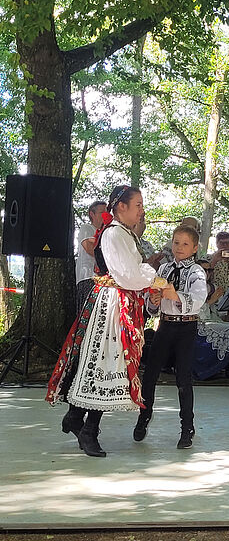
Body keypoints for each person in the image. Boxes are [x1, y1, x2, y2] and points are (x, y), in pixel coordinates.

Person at [46, 185, 168, 457]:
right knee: (105, 361)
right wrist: (155, 279)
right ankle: (86, 428)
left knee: (106, 362)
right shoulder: (114, 234)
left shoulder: (124, 234)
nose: (142, 210)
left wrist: (147, 281)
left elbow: (133, 272)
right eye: (138, 204)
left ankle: (78, 420)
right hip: (110, 304)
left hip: (118, 303)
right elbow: (127, 274)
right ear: (121, 207)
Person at [134, 225, 207, 449]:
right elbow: (153, 299)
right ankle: (144, 416)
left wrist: (175, 295)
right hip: (165, 325)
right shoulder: (164, 269)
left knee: (183, 378)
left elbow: (199, 298)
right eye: (176, 242)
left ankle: (187, 427)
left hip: (186, 328)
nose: (179, 248)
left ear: (195, 248)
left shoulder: (196, 272)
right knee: (150, 374)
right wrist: (153, 302)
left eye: (185, 244)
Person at [75, 200, 107, 314]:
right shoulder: (87, 228)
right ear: (92, 214)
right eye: (101, 212)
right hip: (88, 277)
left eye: (107, 212)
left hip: (104, 281)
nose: (105, 215)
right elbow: (89, 248)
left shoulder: (107, 233)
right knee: (86, 315)